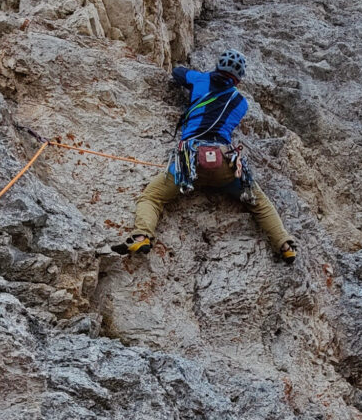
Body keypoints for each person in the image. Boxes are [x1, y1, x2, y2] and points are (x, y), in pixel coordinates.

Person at [113, 49, 297, 262]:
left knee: (152, 197)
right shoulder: (241, 103)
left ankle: (142, 235)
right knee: (259, 202)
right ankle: (285, 245)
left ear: (217, 65)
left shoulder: (200, 79)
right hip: (224, 163)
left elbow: (178, 72)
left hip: (191, 161)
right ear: (238, 80)